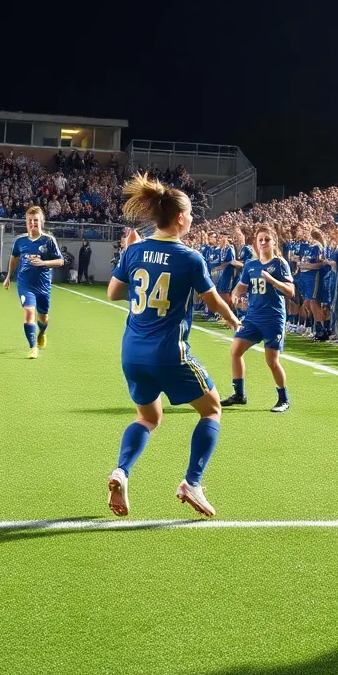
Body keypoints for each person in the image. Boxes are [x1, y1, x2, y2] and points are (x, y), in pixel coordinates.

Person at [106, 174, 241, 519]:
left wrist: (131, 256)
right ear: (180, 217)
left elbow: (114, 293)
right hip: (169, 353)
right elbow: (213, 302)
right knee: (211, 409)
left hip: (132, 352)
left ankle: (121, 471)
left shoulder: (134, 249)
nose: (193, 219)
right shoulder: (189, 257)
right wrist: (234, 320)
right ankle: (192, 482)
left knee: (147, 417)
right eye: (192, 214)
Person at [222, 225, 295, 412]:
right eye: (260, 239)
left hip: (273, 317)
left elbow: (290, 291)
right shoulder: (251, 265)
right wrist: (236, 296)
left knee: (272, 360)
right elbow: (240, 287)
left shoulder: (280, 264)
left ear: (274, 242)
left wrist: (272, 280)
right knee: (235, 350)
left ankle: (283, 399)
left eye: (267, 239)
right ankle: (239, 394)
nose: (263, 243)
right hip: (253, 316)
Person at [3, 207, 64, 358]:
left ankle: (42, 332)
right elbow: (15, 258)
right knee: (29, 312)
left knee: (43, 317)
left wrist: (43, 263)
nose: (32, 223)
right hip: (25, 284)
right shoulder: (20, 241)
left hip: (43, 285)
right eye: (30, 221)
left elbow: (61, 261)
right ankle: (33, 348)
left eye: (35, 220)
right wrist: (9, 276)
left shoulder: (48, 240)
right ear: (26, 222)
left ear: (41, 222)